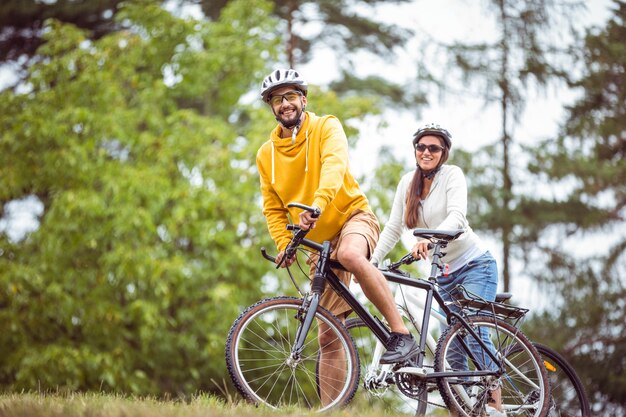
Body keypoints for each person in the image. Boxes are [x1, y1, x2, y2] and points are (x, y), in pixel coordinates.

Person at [256, 68, 419, 405]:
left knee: (350, 255)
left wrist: (317, 204)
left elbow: (334, 165)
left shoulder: (326, 126)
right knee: (329, 335)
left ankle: (401, 334)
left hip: (353, 218)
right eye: (276, 99)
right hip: (319, 242)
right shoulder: (266, 155)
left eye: (290, 96)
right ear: (271, 107)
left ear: (303, 99)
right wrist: (284, 245)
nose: (284, 103)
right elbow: (272, 208)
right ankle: (332, 411)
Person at [370, 123, 506, 417]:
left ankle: (494, 400)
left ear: (443, 153)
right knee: (450, 344)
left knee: (472, 328)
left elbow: (457, 217)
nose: (426, 152)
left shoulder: (452, 175)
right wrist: (373, 261)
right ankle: (461, 407)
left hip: (474, 265)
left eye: (433, 148)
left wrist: (428, 240)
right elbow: (393, 227)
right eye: (421, 147)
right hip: (442, 272)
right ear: (415, 150)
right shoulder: (408, 183)